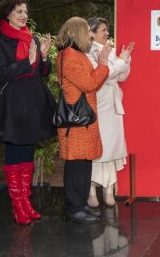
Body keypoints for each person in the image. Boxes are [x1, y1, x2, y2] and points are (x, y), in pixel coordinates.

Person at [0, 0, 56, 225]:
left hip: (33, 104)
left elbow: (42, 72)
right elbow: (3, 73)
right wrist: (28, 60)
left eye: (26, 11)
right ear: (7, 14)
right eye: (19, 11)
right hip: (14, 106)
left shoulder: (32, 38)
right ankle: (17, 205)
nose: (24, 15)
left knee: (27, 153)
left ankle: (26, 201)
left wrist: (44, 57)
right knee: (15, 153)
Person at [55, 16, 111, 225]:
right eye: (87, 30)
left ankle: (82, 205)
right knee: (76, 165)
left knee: (84, 162)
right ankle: (74, 208)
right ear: (77, 32)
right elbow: (89, 83)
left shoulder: (77, 54)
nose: (90, 34)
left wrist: (101, 65)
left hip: (84, 118)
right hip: (76, 121)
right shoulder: (69, 56)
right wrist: (103, 65)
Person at [86, 17, 134, 207]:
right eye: (103, 30)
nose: (107, 33)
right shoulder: (87, 52)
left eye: (107, 30)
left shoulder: (112, 50)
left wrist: (125, 60)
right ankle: (91, 190)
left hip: (113, 104)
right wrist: (119, 63)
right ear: (91, 32)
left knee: (112, 147)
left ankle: (108, 189)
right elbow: (102, 74)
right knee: (98, 148)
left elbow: (121, 75)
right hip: (98, 103)